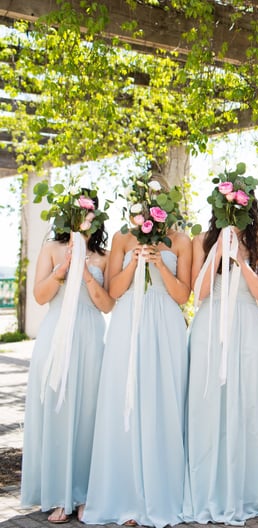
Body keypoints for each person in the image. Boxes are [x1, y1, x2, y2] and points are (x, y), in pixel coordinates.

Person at [82, 180, 193, 528]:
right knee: (124, 403)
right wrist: (135, 264)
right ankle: (126, 495)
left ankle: (163, 493)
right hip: (128, 321)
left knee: (163, 403)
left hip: (167, 325)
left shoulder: (182, 240)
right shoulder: (122, 239)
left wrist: (159, 264)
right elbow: (113, 292)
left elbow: (183, 296)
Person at [182, 192, 258, 524]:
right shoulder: (201, 241)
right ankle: (208, 485)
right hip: (210, 326)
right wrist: (219, 253)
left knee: (247, 406)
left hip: (248, 326)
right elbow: (199, 293)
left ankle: (247, 489)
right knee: (209, 407)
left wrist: (241, 262)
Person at [21, 193, 114, 524]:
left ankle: (85, 493)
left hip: (91, 336)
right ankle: (58, 494)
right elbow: (41, 296)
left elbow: (108, 305)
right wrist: (62, 270)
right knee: (56, 411)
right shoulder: (51, 249)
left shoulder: (103, 256)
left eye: (87, 210)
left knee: (88, 414)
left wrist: (86, 274)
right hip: (55, 334)